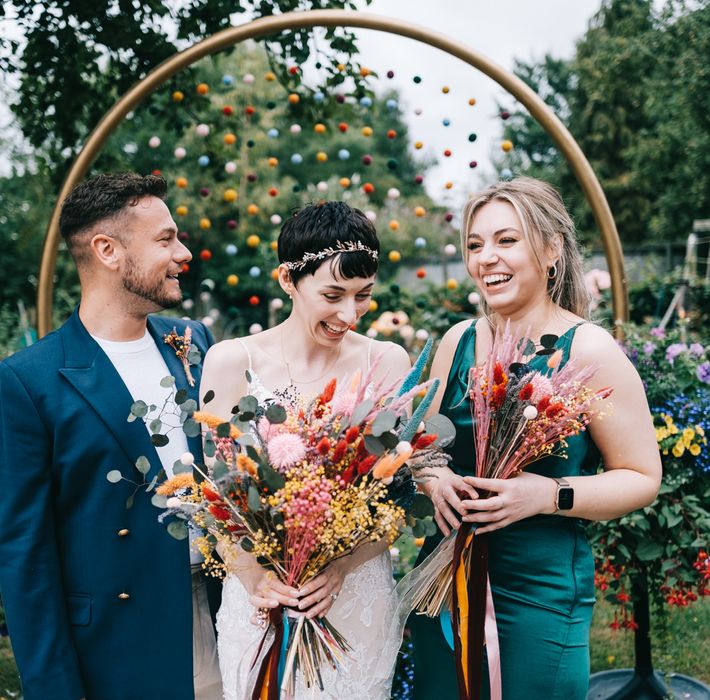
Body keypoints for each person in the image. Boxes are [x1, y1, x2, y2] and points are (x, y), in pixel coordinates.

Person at [410, 177, 662, 699]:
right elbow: (424, 449)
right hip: (444, 582)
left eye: (506, 240)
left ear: (550, 250)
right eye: (475, 245)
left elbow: (641, 478)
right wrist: (435, 481)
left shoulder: (589, 351)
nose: (486, 259)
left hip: (539, 591)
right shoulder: (459, 341)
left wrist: (547, 494)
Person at [0, 173, 223, 700]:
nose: (183, 252)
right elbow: (26, 558)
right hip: (118, 644)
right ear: (107, 250)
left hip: (219, 613)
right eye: (165, 239)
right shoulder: (30, 380)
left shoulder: (194, 341)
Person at [200, 201, 411, 699]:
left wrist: (339, 567)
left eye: (362, 296)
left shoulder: (387, 361)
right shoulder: (231, 362)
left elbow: (397, 499)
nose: (349, 314)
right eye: (333, 294)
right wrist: (256, 577)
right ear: (288, 280)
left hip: (354, 594)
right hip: (261, 595)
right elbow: (221, 498)